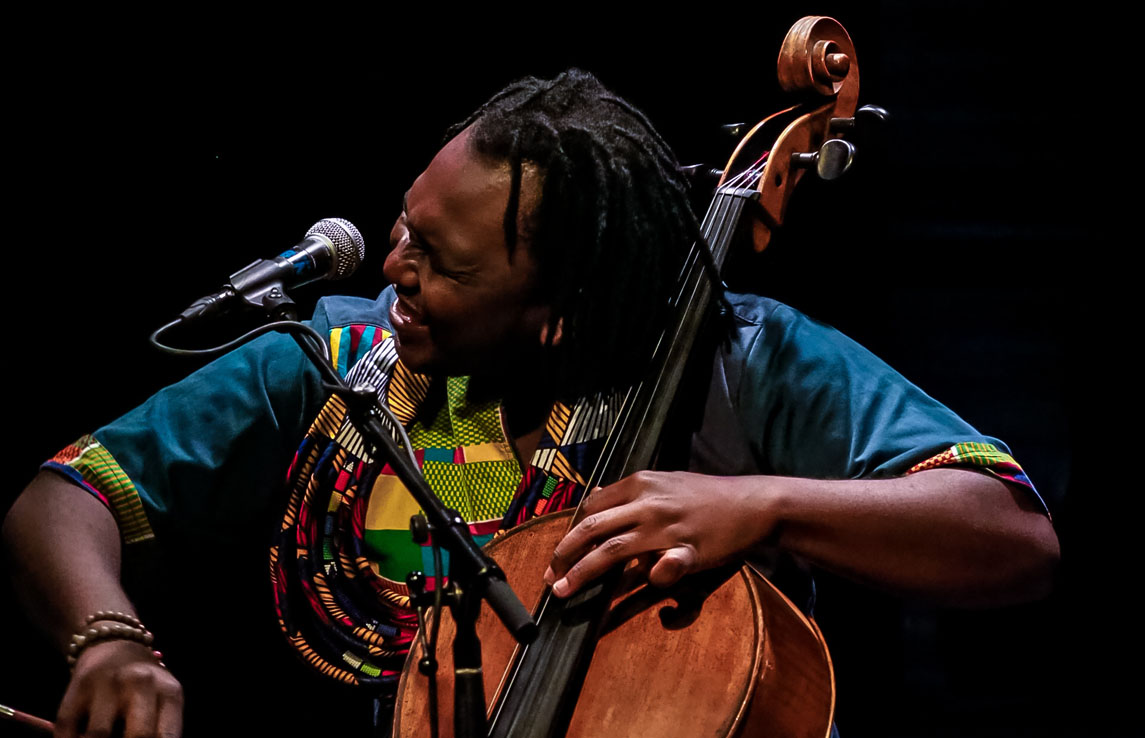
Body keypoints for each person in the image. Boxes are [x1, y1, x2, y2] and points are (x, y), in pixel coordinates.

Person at [2, 70, 1059, 738]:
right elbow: (67, 496)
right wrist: (109, 640)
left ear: (555, 312)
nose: (395, 265)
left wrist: (766, 507)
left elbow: (1009, 533)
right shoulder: (348, 354)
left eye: (444, 262)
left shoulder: (742, 362)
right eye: (404, 225)